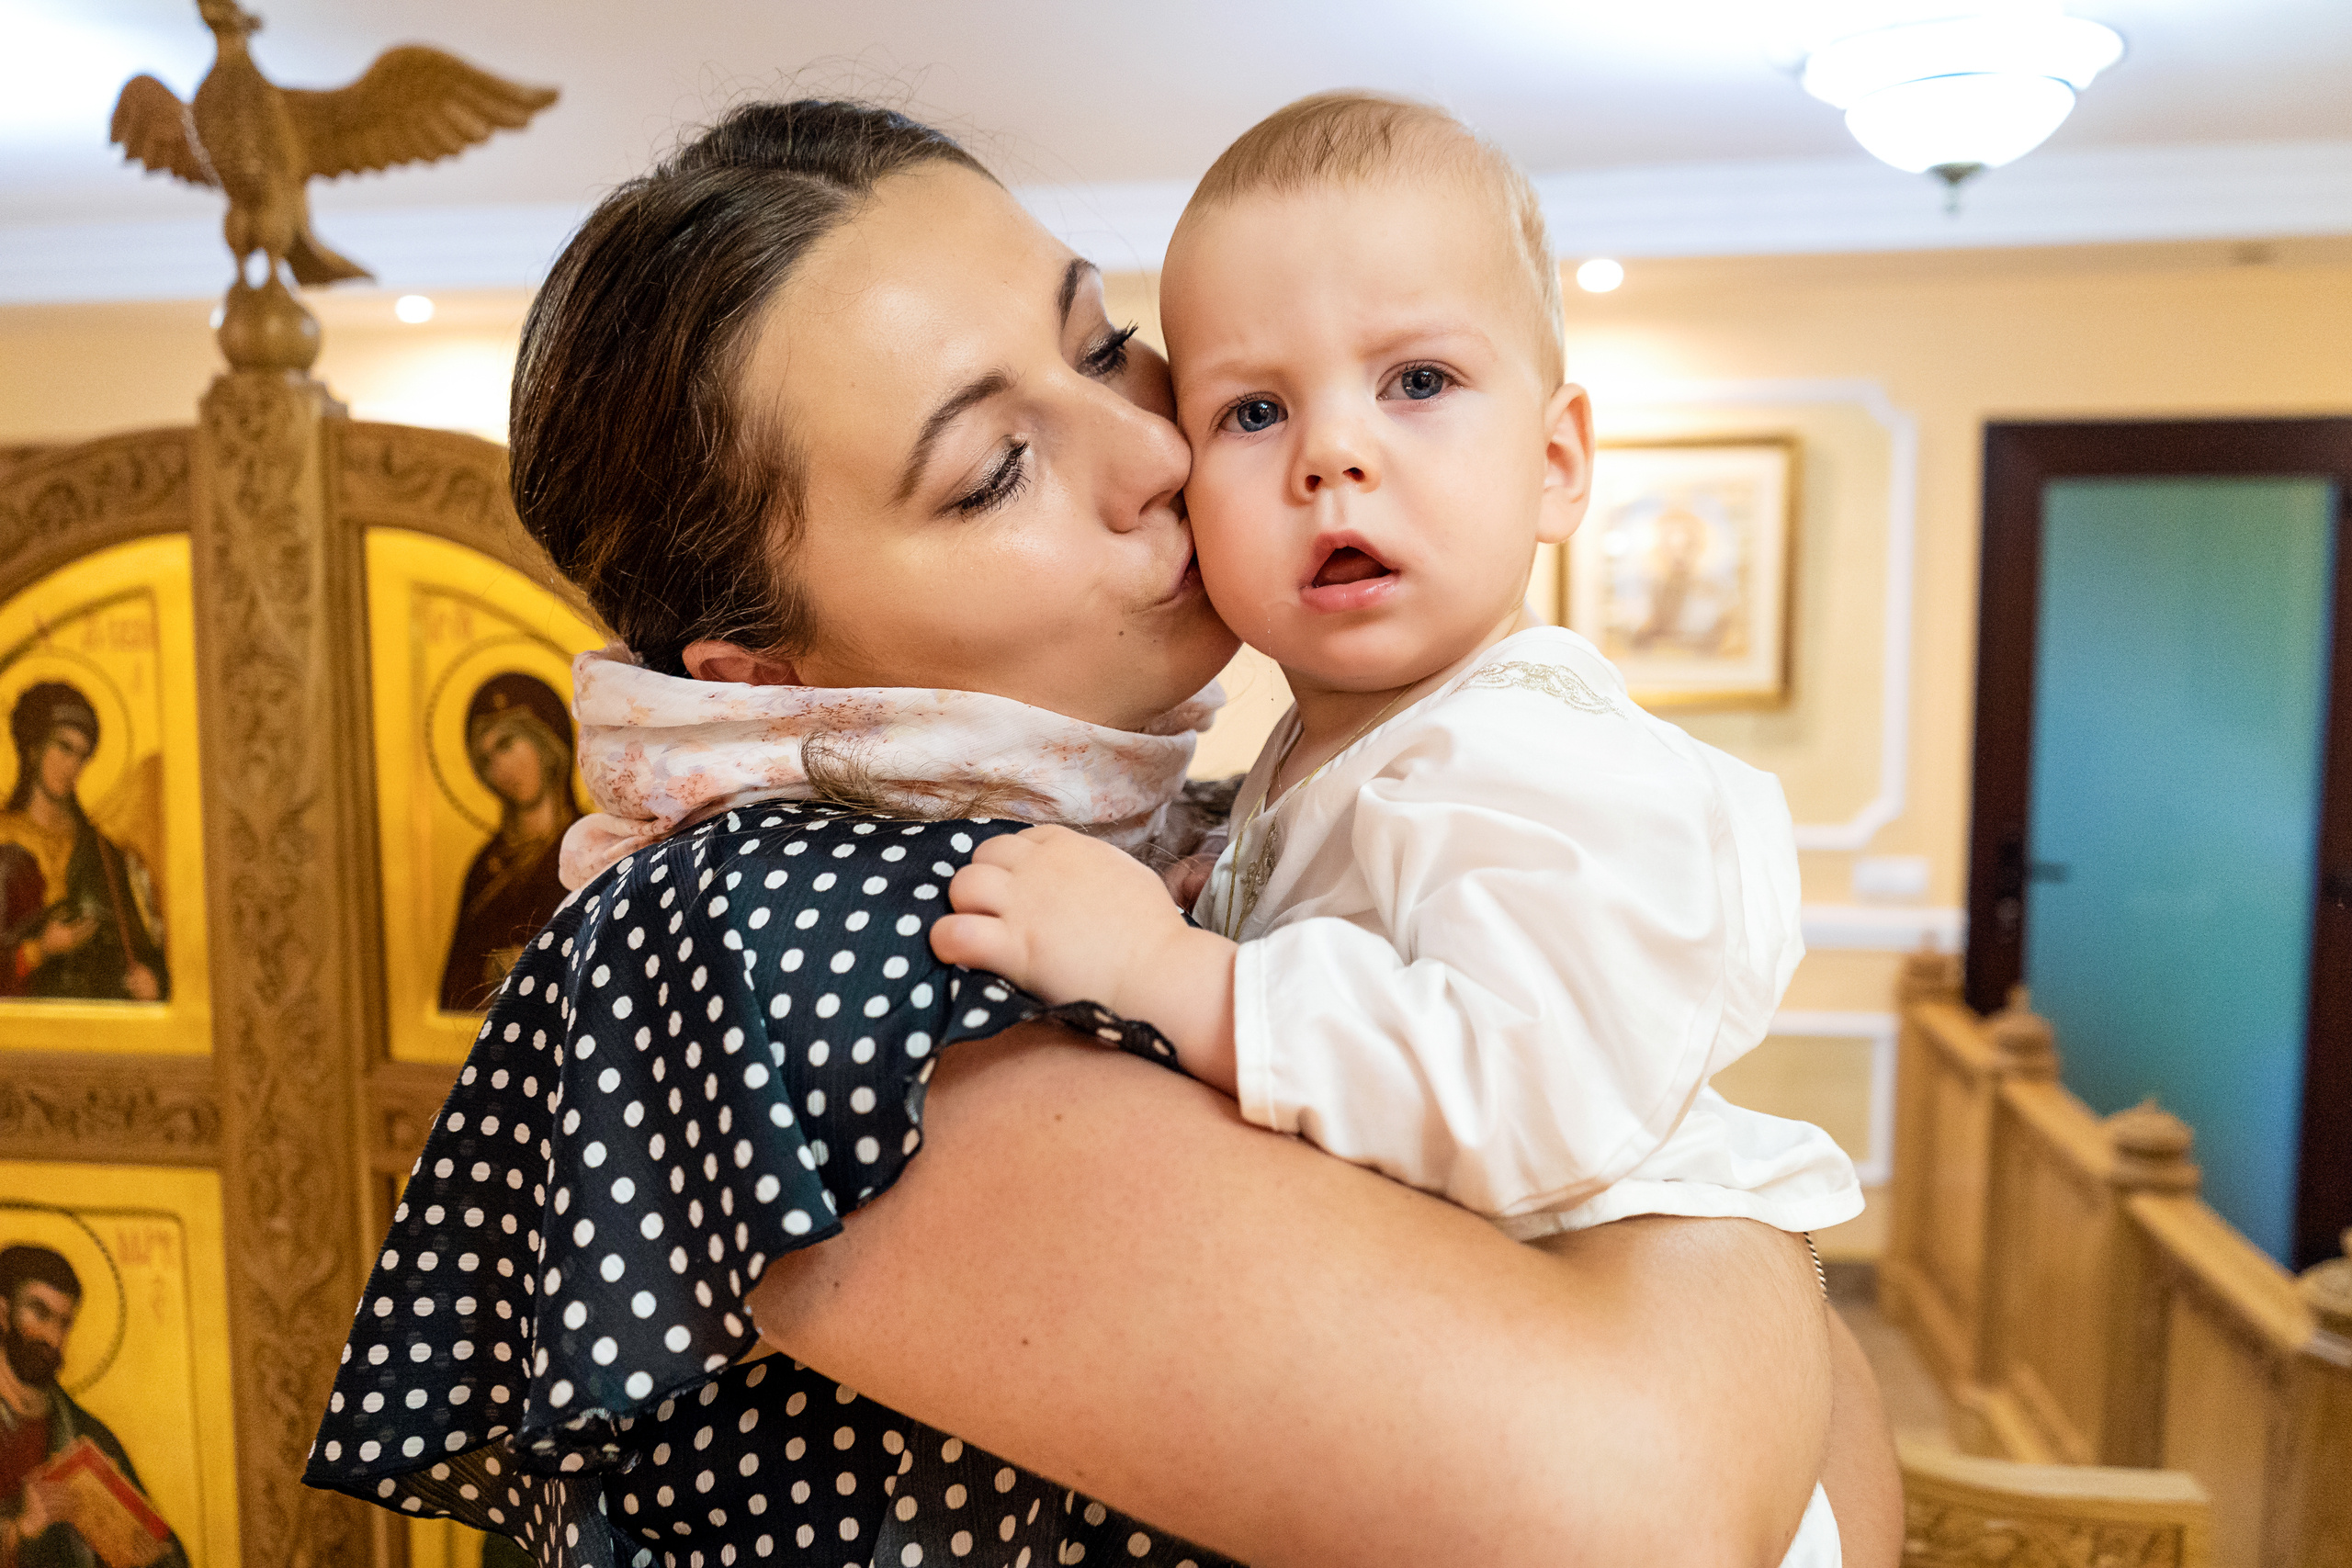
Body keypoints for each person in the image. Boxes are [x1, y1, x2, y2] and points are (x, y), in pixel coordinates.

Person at [305, 100, 1902, 1568]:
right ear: (764, 674)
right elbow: (1643, 1516)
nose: (1160, 455)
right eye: (996, 468)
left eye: (1104, 345)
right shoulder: (777, 943)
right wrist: (1705, 1169)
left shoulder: (1180, 829)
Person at [934, 89, 1860, 1563]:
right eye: (1253, 410)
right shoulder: (1325, 751)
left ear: (1558, 462)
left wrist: (1177, 974)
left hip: (1624, 1439)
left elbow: (1525, 1099)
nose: (1332, 454)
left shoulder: (1545, 760)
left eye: (1418, 379)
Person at [0, 1246, 185, 1568]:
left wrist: (147, 1559)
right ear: (3, 1314)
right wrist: (20, 1528)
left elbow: (168, 1554)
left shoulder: (86, 1436)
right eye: (39, 1313)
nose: (53, 1337)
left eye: (64, 1323)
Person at [0, 685, 167, 1003]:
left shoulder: (102, 851)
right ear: (34, 747)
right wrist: (40, 949)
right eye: (64, 747)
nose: (72, 766)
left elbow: (139, 946)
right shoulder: (3, 842)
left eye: (82, 755)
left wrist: (151, 982)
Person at [439, 672, 584, 1011]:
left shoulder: (592, 847)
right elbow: (454, 988)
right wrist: (490, 974)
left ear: (547, 742)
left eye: (506, 744)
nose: (498, 767)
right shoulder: (485, 870)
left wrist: (542, 968)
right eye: (485, 759)